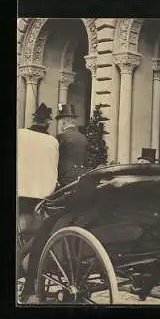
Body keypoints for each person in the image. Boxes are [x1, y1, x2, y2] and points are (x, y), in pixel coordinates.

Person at [17, 102, 59, 302]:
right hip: (42, 197)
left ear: (34, 119)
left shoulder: (20, 135)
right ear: (48, 122)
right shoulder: (52, 142)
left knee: (21, 237)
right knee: (37, 238)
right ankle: (31, 283)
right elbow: (53, 169)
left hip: (21, 193)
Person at [55, 104, 89, 187]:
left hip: (64, 179)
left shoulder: (61, 137)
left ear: (64, 121)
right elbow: (86, 160)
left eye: (59, 121)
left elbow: (54, 159)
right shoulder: (83, 137)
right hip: (80, 176)